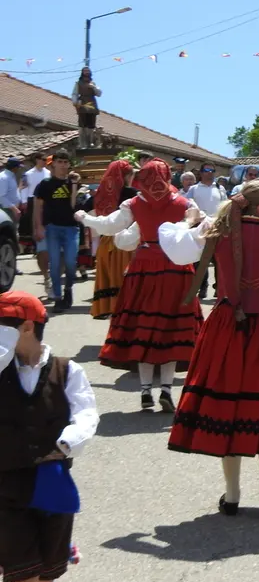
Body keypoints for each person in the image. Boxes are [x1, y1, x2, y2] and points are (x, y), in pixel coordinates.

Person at [157, 180, 259, 517]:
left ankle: (232, 495)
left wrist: (182, 223)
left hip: (226, 322)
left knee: (229, 403)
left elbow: (176, 251)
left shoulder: (218, 230)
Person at [0, 291, 99, 582]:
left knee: (46, 570)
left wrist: (67, 441)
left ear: (26, 327)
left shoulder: (67, 369)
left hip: (51, 479)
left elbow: (86, 413)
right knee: (22, 567)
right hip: (6, 481)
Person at [76, 159, 204, 411]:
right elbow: (204, 226)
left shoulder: (134, 204)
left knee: (144, 330)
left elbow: (109, 226)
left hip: (144, 269)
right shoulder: (184, 203)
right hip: (177, 270)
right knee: (171, 329)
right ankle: (166, 388)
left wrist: (85, 218)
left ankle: (146, 390)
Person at [88, 161, 138, 319]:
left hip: (105, 242)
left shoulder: (101, 193)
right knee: (124, 284)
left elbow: (81, 208)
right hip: (124, 242)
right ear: (127, 176)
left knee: (110, 281)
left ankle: (111, 315)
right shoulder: (131, 193)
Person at [33, 150, 81, 313]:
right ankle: (58, 298)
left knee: (69, 262)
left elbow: (73, 206)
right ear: (53, 163)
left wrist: (74, 185)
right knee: (54, 264)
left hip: (71, 228)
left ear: (69, 165)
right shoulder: (45, 184)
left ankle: (68, 290)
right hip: (52, 228)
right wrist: (38, 226)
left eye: (65, 162)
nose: (62, 165)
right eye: (59, 162)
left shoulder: (74, 182)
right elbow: (37, 208)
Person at [186, 165, 227, 299]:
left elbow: (225, 206)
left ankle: (219, 288)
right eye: (206, 171)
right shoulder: (193, 189)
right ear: (201, 173)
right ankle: (202, 287)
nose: (210, 173)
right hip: (200, 227)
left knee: (219, 259)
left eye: (212, 171)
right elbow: (187, 205)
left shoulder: (220, 189)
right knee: (200, 259)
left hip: (217, 227)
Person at [19, 154, 50, 264]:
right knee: (34, 224)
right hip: (32, 199)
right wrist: (24, 201)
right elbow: (24, 187)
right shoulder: (28, 174)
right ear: (37, 160)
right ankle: (37, 247)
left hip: (46, 200)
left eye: (46, 160)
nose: (45, 161)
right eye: (43, 159)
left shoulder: (48, 173)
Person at [71, 67, 101, 149]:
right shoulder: (78, 83)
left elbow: (99, 94)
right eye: (85, 71)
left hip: (92, 104)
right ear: (82, 73)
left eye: (88, 71)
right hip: (82, 104)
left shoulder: (93, 83)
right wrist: (75, 102)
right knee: (82, 124)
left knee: (91, 125)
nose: (86, 72)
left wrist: (94, 88)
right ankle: (82, 144)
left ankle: (90, 143)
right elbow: (74, 94)